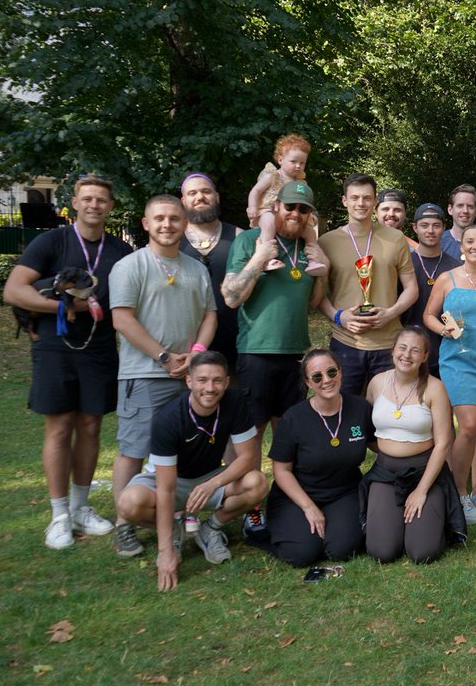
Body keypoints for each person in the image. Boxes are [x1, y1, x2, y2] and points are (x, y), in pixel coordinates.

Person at [3, 173, 132, 549]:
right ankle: (59, 515)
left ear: (110, 207)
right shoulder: (51, 241)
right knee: (59, 427)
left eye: (101, 200)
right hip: (55, 345)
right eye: (87, 198)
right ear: (74, 203)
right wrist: (63, 306)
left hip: (100, 347)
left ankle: (81, 507)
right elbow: (14, 289)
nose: (94, 205)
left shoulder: (118, 251)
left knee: (91, 426)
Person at [109, 195, 218, 557]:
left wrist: (196, 358)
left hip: (188, 376)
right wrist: (164, 356)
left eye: (174, 218)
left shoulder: (196, 268)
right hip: (144, 374)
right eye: (159, 218)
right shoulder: (130, 266)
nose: (167, 224)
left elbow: (209, 316)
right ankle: (125, 525)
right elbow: (122, 319)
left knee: (186, 447)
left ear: (185, 223)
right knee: (134, 449)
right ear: (145, 223)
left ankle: (181, 514)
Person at [115, 351, 268, 591]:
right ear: (189, 381)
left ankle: (210, 529)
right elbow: (166, 489)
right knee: (129, 503)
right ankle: (173, 531)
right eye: (202, 380)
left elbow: (248, 458)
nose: (210, 388)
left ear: (227, 382)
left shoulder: (235, 401)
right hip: (169, 479)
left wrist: (213, 484)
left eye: (217, 380)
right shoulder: (168, 419)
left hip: (210, 477)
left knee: (257, 482)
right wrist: (165, 553)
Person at [222, 179, 327, 531]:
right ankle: (252, 505)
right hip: (256, 353)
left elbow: (312, 303)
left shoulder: (305, 247)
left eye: (303, 209)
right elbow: (231, 297)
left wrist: (322, 271)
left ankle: (285, 504)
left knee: (290, 437)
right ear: (276, 207)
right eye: (290, 207)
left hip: (295, 354)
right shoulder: (250, 241)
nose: (296, 213)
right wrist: (259, 259)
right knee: (250, 438)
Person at [361, 328, 464, 562]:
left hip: (424, 472)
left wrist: (421, 490)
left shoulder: (434, 388)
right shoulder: (377, 383)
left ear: (425, 356)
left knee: (422, 552)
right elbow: (366, 427)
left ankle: (433, 519)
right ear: (393, 350)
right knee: (382, 552)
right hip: (386, 472)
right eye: (402, 348)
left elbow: (443, 442)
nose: (407, 355)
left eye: (415, 350)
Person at [424, 226, 476, 525]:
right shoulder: (447, 279)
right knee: (468, 427)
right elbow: (428, 315)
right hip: (458, 362)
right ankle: (460, 493)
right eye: (469, 241)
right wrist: (441, 329)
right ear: (462, 246)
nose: (474, 246)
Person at [264, 349, 369, 566]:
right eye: (317, 377)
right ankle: (265, 529)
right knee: (302, 555)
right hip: (299, 494)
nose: (327, 380)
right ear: (308, 383)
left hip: (344, 492)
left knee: (341, 550)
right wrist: (308, 507)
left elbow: (382, 444)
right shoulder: (293, 418)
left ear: (340, 372)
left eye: (331, 372)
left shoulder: (360, 408)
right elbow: (281, 471)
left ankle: (329, 530)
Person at [318, 175, 417, 397]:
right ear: (344, 200)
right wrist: (338, 317)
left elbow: (411, 289)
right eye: (354, 197)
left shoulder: (396, 238)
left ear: (374, 202)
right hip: (346, 342)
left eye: (366, 198)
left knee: (387, 413)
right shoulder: (327, 241)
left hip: (388, 343)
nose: (360, 203)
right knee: (344, 410)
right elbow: (317, 295)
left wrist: (390, 313)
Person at [178, 173, 242, 372]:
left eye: (206, 191)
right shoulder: (171, 241)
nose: (200, 197)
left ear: (217, 196)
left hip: (235, 343)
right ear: (183, 201)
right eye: (192, 193)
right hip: (184, 345)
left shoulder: (239, 237)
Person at [246, 134, 325, 274]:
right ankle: (267, 257)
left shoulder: (301, 183)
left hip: (290, 217)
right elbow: (256, 191)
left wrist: (310, 214)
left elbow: (303, 202)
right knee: (269, 223)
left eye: (302, 163)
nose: (298, 166)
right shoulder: (272, 176)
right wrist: (252, 206)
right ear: (281, 159)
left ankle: (313, 260)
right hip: (267, 211)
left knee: (310, 232)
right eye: (293, 161)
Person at [403, 203, 462, 377]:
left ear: (444, 228)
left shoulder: (455, 267)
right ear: (415, 227)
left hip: (446, 350)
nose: (430, 230)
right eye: (424, 225)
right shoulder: (403, 264)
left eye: (436, 226)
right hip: (410, 351)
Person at [441, 184, 476, 259]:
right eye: (460, 206)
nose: (465, 211)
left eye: (470, 206)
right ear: (450, 209)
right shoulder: (438, 243)